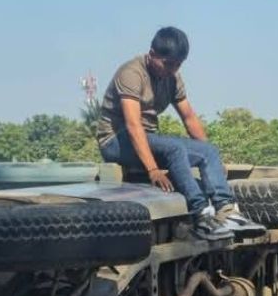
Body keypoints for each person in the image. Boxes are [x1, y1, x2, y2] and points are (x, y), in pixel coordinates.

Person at [97, 26, 265, 241]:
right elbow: (133, 125)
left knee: (208, 150)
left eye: (178, 65)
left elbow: (189, 117)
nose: (172, 70)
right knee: (174, 148)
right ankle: (201, 215)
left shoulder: (173, 78)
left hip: (148, 138)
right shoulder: (132, 73)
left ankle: (228, 212)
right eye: (168, 64)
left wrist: (212, 158)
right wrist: (153, 169)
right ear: (152, 55)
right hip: (116, 140)